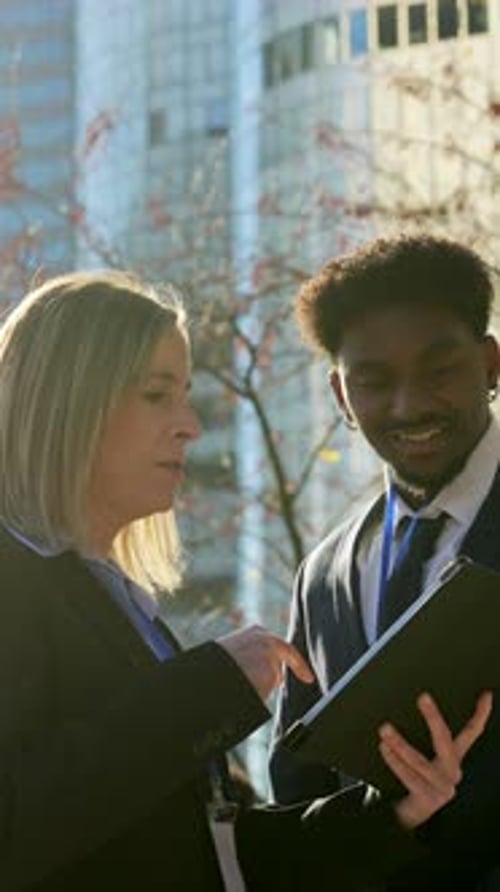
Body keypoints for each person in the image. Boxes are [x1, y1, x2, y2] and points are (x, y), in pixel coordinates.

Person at [0, 270, 490, 892]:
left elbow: (211, 853)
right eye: (157, 394)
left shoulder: (119, 605)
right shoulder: (14, 584)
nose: (190, 425)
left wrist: (389, 812)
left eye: (185, 395)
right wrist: (207, 688)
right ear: (70, 402)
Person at [269, 234, 500, 889]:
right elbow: (299, 791)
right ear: (342, 396)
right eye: (374, 382)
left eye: (439, 370)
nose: (410, 405)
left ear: (490, 364)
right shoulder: (322, 577)